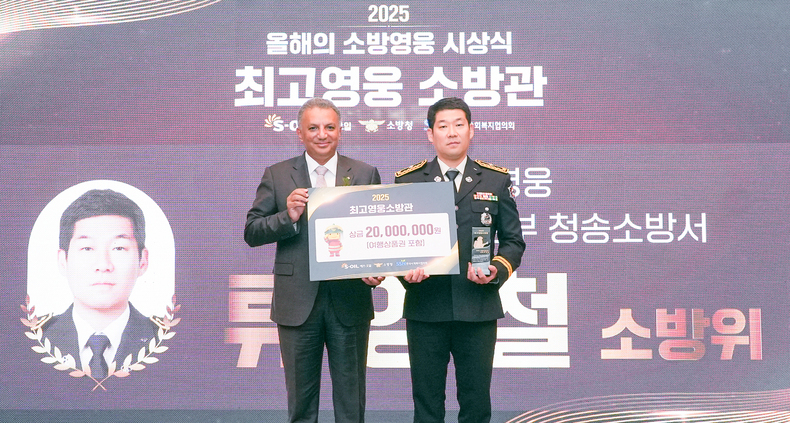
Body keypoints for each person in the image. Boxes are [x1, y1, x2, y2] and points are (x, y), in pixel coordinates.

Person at [244, 97, 382, 423]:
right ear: (300, 133)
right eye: (314, 128)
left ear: (340, 130)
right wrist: (288, 216)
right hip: (297, 302)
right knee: (301, 404)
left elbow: (376, 235)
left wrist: (377, 269)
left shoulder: (364, 173)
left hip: (349, 299)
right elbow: (252, 231)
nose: (322, 134)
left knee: (351, 403)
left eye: (329, 127)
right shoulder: (278, 175)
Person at [394, 97, 526, 423]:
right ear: (430, 134)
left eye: (458, 124)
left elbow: (513, 241)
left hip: (477, 306)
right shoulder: (408, 181)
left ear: (471, 130)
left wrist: (496, 269)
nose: (452, 132)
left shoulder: (495, 179)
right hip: (426, 307)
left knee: (476, 403)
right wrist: (404, 271)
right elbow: (396, 244)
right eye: (443, 126)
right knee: (427, 403)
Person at [42, 189, 158, 379]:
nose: (103, 265)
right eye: (87, 248)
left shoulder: (164, 339)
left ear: (143, 261)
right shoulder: (34, 337)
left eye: (118, 248)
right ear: (63, 261)